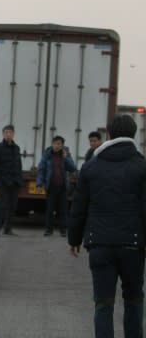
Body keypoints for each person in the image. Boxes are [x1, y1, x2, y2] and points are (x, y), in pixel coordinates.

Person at [68, 114, 146, 338]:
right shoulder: (141, 167)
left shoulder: (91, 167)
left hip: (99, 243)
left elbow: (79, 208)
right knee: (133, 299)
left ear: (109, 134)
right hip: (133, 245)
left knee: (103, 303)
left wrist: (74, 239)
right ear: (133, 135)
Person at [36, 135, 77, 237]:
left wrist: (66, 157)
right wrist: (39, 183)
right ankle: (48, 230)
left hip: (63, 187)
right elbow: (41, 169)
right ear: (52, 144)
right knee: (50, 209)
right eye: (55, 143)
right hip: (51, 186)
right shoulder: (47, 154)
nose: (57, 146)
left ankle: (63, 230)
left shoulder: (66, 154)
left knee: (63, 210)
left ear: (62, 145)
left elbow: (72, 168)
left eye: (59, 144)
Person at [0, 124, 23, 235]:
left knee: (12, 206)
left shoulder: (16, 148)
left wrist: (19, 179)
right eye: (6, 132)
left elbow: (19, 165)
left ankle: (8, 228)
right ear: (3, 134)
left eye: (10, 132)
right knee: (2, 205)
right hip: (4, 182)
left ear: (13, 134)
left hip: (15, 182)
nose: (8, 134)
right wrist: (2, 179)